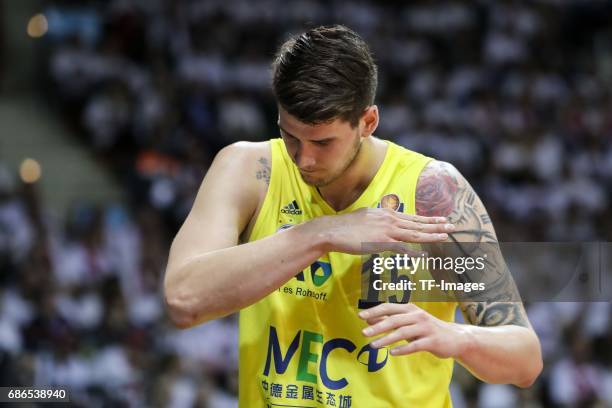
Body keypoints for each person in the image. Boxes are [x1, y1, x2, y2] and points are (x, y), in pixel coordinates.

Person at [163, 25, 542, 407]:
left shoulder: (433, 192)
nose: (303, 159)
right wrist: (320, 233)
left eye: (323, 142)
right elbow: (183, 300)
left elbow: (525, 360)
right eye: (290, 136)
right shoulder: (249, 169)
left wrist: (456, 337)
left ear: (368, 122)